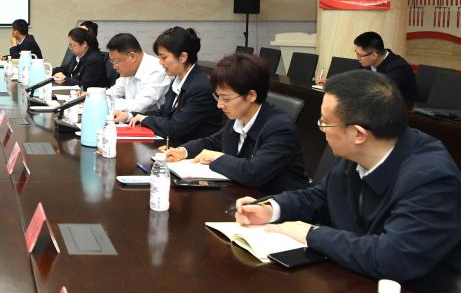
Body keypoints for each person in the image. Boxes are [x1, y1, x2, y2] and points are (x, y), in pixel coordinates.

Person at [235, 70, 461, 293]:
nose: (321, 128)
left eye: (325, 121)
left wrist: (311, 233)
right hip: (357, 284)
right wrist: (272, 208)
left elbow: (392, 258)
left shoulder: (432, 178)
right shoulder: (360, 151)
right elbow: (322, 195)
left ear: (358, 134)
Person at [164, 52, 309, 193]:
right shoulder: (239, 117)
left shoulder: (280, 128)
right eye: (218, 97)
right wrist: (182, 151)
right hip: (242, 195)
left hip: (277, 203)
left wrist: (217, 157)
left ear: (251, 95)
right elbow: (213, 142)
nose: (219, 105)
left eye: (226, 99)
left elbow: (253, 173)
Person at [129, 27, 224, 144]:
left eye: (164, 57)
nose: (160, 62)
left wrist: (145, 120)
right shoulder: (178, 80)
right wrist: (129, 116)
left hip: (196, 150)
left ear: (182, 57)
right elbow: (164, 113)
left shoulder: (200, 87)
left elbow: (175, 128)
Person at [105, 33, 170, 121]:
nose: (114, 67)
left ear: (132, 56)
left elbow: (140, 106)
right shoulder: (127, 72)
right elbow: (113, 93)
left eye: (116, 62)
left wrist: (106, 102)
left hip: (152, 124)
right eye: (112, 62)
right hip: (133, 121)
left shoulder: (156, 70)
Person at [353, 31, 419, 107]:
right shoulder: (365, 63)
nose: (358, 58)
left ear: (374, 55)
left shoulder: (398, 67)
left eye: (360, 55)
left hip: (401, 109)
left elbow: (383, 94)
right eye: (356, 53)